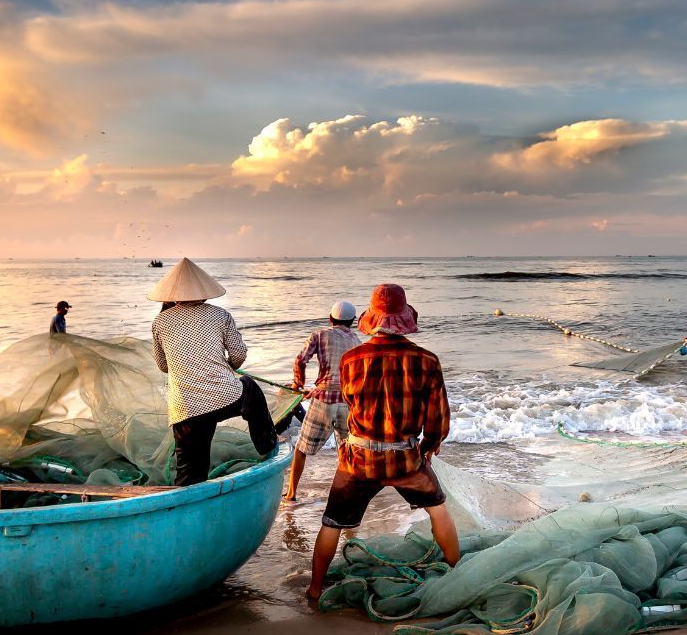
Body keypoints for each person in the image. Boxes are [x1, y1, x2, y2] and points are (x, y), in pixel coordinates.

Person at [305, 284, 460, 603]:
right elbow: (438, 421)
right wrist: (428, 447)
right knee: (438, 510)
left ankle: (315, 588)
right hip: (405, 458)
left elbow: (350, 402)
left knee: (332, 523)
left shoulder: (351, 359)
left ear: (371, 319)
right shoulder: (426, 360)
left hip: (358, 460)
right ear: (405, 319)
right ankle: (457, 576)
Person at [149, 258, 275, 486]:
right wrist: (225, 367)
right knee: (250, 388)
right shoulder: (220, 315)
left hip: (185, 410)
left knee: (190, 475)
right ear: (204, 291)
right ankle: (267, 445)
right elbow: (238, 355)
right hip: (225, 397)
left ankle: (186, 510)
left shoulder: (160, 321)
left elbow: (163, 366)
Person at [284, 299, 362, 502]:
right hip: (347, 402)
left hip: (323, 400)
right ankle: (347, 494)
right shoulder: (357, 343)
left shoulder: (319, 334)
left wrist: (298, 384)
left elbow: (300, 360)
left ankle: (291, 494)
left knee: (301, 448)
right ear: (352, 321)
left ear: (330, 319)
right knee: (346, 451)